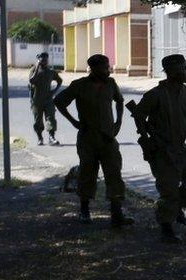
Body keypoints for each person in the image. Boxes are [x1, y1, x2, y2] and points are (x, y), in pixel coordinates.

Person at [132, 54, 186, 243]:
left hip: (181, 147)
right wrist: (146, 137)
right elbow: (139, 115)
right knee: (169, 190)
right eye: (183, 68)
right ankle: (166, 226)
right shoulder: (155, 95)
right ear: (171, 71)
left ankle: (177, 210)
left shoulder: (184, 91)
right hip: (162, 149)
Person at [53, 54, 133, 228]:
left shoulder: (111, 84)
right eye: (105, 67)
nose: (108, 70)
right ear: (94, 69)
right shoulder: (79, 85)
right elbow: (59, 101)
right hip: (87, 138)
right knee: (87, 174)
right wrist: (74, 121)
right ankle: (84, 210)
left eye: (108, 66)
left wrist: (118, 121)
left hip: (108, 138)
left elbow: (119, 101)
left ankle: (116, 214)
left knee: (114, 173)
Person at [29, 52, 62, 146]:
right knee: (38, 120)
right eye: (42, 59)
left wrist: (54, 91)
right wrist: (37, 66)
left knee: (50, 118)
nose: (45, 60)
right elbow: (32, 80)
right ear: (39, 59)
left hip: (48, 100)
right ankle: (40, 138)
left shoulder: (51, 72)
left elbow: (60, 81)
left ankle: (52, 137)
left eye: (46, 59)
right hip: (36, 100)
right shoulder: (33, 70)